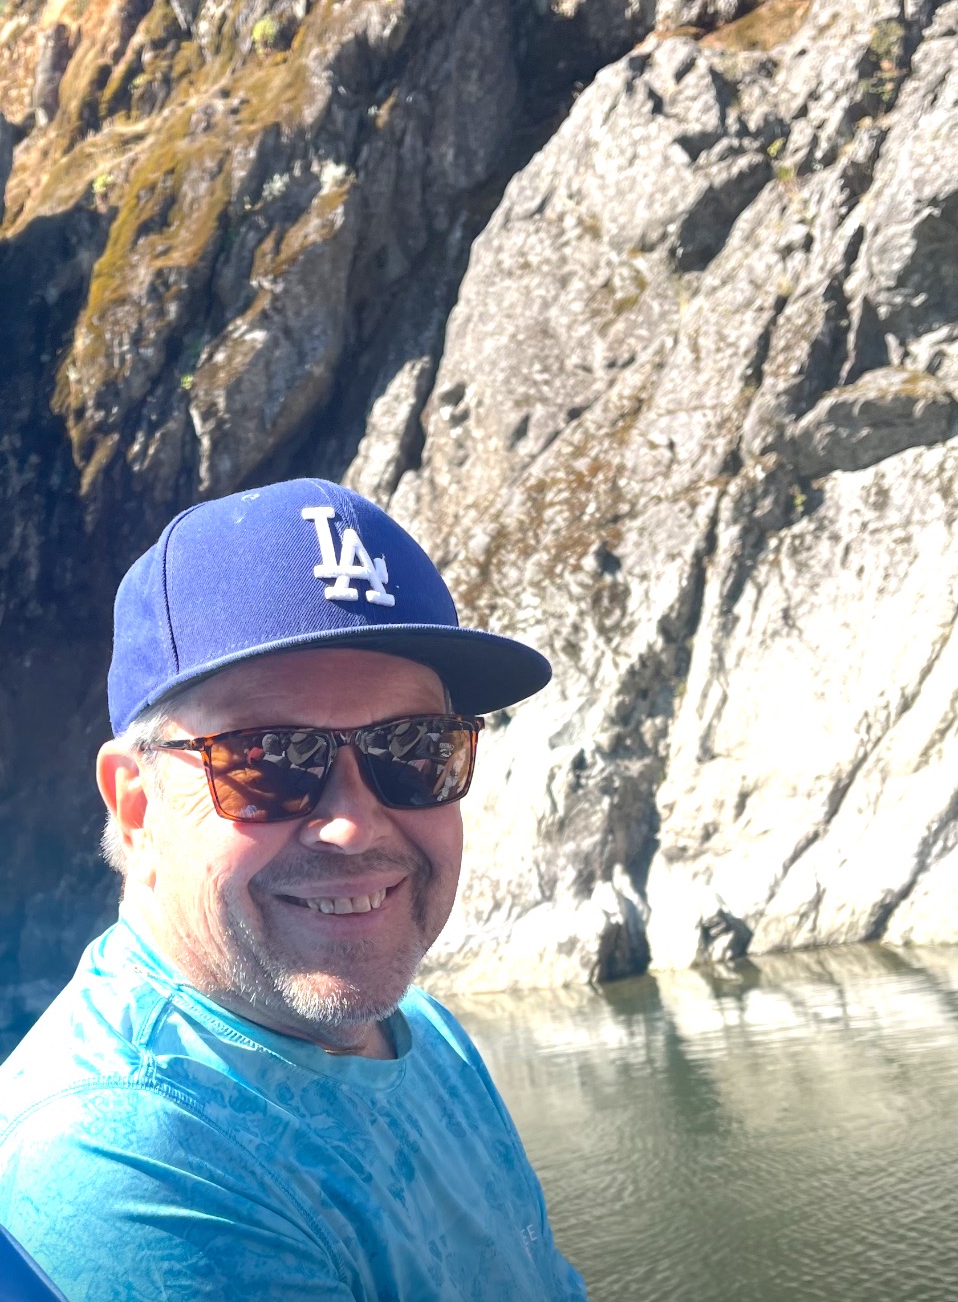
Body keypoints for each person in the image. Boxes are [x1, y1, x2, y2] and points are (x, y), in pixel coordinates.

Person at [0, 478, 588, 1302]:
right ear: (136, 807)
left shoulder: (420, 1029)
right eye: (270, 759)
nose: (355, 824)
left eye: (415, 748)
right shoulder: (123, 1156)